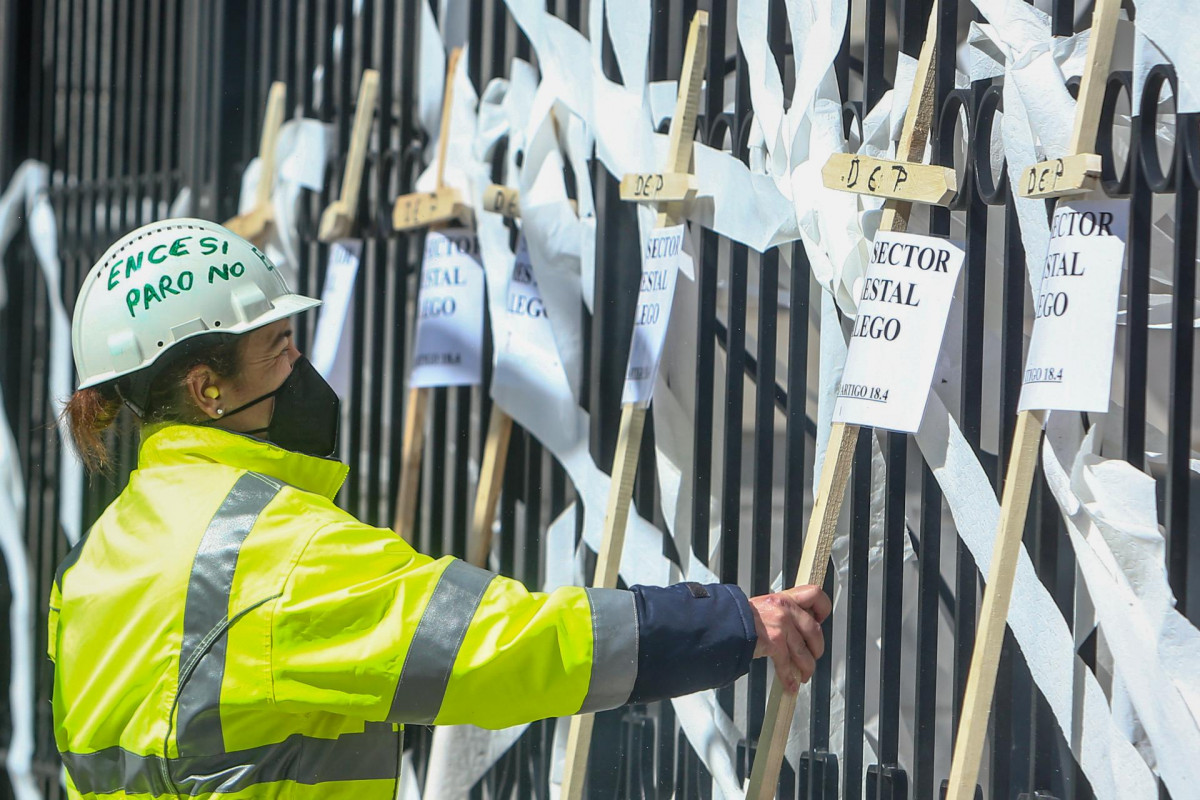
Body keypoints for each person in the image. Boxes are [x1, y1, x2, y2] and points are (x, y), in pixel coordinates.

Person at [51, 218, 831, 798]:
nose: (300, 363)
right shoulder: (274, 553)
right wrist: (729, 624)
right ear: (206, 387)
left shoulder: (97, 563)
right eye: (279, 344)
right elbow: (500, 648)